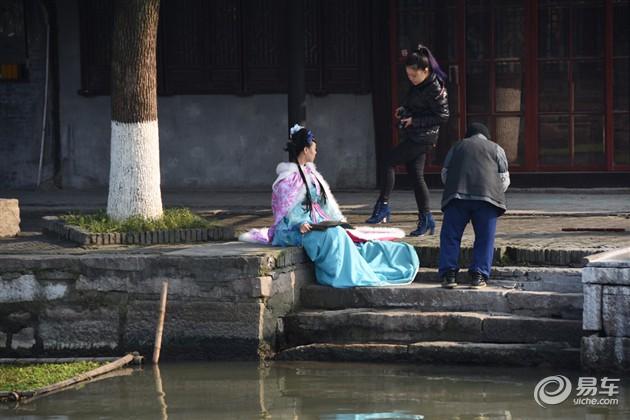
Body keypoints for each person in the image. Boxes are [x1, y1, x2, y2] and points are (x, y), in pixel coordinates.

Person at [243, 124, 419, 289]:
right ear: (306, 150)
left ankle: (387, 261)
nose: (316, 151)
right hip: (298, 231)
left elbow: (325, 205)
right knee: (334, 236)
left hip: (318, 223)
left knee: (349, 237)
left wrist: (338, 221)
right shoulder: (287, 181)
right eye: (314, 148)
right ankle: (339, 274)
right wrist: (299, 225)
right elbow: (283, 217)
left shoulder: (312, 174)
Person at [366, 45, 450, 237]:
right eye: (409, 75)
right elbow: (416, 107)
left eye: (414, 75)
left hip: (424, 137)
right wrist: (405, 111)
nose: (411, 78)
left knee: (388, 161)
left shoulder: (435, 87)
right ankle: (426, 219)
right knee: (416, 176)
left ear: (425, 70)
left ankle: (383, 206)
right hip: (415, 134)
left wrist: (415, 121)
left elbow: (443, 116)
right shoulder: (418, 85)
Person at [438, 123, 510, 289]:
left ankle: (449, 275)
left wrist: (457, 185)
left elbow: (445, 174)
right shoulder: (496, 148)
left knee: (450, 236)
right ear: (486, 136)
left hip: (457, 198)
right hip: (487, 200)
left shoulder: (456, 147)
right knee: (485, 237)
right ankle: (479, 275)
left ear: (468, 135)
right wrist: (492, 189)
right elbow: (504, 179)